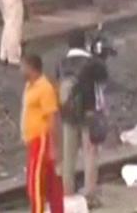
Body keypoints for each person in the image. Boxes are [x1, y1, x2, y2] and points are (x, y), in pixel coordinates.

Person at [57, 31, 107, 199]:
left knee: (68, 154)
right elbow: (104, 79)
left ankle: (67, 191)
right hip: (89, 113)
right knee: (90, 152)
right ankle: (90, 191)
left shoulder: (61, 64)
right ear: (84, 43)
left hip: (68, 113)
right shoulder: (92, 63)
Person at [21, 53, 64, 213]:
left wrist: (54, 146)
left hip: (41, 140)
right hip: (33, 140)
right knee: (52, 183)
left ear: (31, 68)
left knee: (36, 185)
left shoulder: (44, 88)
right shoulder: (30, 86)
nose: (21, 70)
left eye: (23, 67)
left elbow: (52, 117)